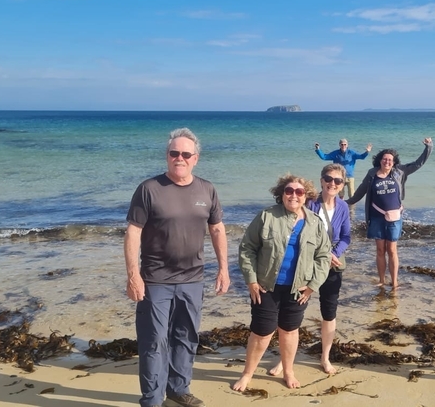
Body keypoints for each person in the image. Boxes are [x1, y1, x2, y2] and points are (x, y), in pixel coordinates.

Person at [124, 128, 230, 407]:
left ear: (195, 158)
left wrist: (223, 269)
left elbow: (217, 230)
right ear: (167, 156)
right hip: (155, 280)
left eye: (185, 154)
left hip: (193, 279)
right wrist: (133, 275)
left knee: (186, 337)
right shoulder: (149, 189)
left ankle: (178, 388)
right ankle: (151, 399)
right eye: (174, 153)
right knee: (153, 341)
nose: (179, 158)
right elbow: (133, 233)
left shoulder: (207, 189)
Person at [232, 174, 332, 392]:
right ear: (281, 194)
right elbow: (247, 248)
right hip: (266, 286)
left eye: (299, 192)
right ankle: (247, 374)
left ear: (306, 196)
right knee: (262, 332)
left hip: (298, 289)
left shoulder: (315, 222)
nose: (293, 195)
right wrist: (251, 280)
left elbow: (324, 257)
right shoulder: (266, 216)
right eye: (289, 191)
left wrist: (313, 285)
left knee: (289, 330)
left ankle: (288, 371)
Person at [269, 164, 351, 376]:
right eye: (328, 179)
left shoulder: (343, 207)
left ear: (343, 184)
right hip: (305, 264)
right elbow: (297, 228)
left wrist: (334, 254)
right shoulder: (310, 203)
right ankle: (284, 360)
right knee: (291, 313)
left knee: (329, 311)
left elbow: (346, 237)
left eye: (338, 181)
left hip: (332, 264)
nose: (333, 183)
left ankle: (325, 357)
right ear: (322, 180)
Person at [347, 138, 432, 289]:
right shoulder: (372, 174)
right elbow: (361, 190)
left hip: (394, 218)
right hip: (376, 217)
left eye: (390, 160)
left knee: (392, 250)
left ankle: (394, 282)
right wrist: (347, 202)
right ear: (379, 160)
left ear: (394, 162)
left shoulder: (400, 172)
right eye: (384, 159)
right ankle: (381, 280)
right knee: (380, 250)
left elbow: (418, 163)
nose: (387, 162)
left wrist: (428, 147)